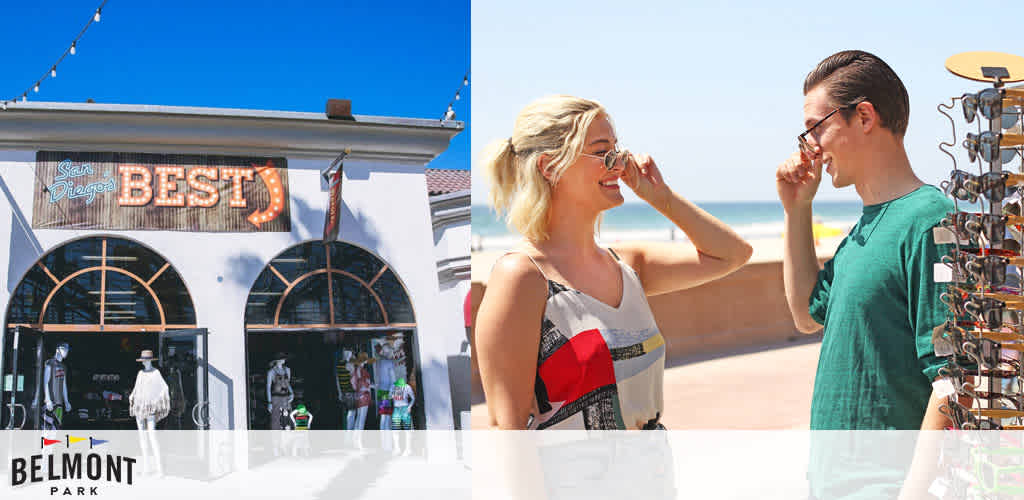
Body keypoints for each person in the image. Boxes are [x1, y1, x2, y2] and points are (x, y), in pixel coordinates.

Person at [476, 95, 753, 430]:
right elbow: (508, 431)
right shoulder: (521, 277)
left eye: (618, 150)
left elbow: (734, 254)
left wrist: (661, 198)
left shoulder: (628, 265)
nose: (620, 164)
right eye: (602, 151)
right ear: (550, 166)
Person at [777, 50, 953, 432]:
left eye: (815, 128)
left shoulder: (931, 220)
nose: (809, 147)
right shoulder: (862, 231)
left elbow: (952, 380)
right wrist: (797, 210)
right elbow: (806, 316)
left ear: (864, 117)